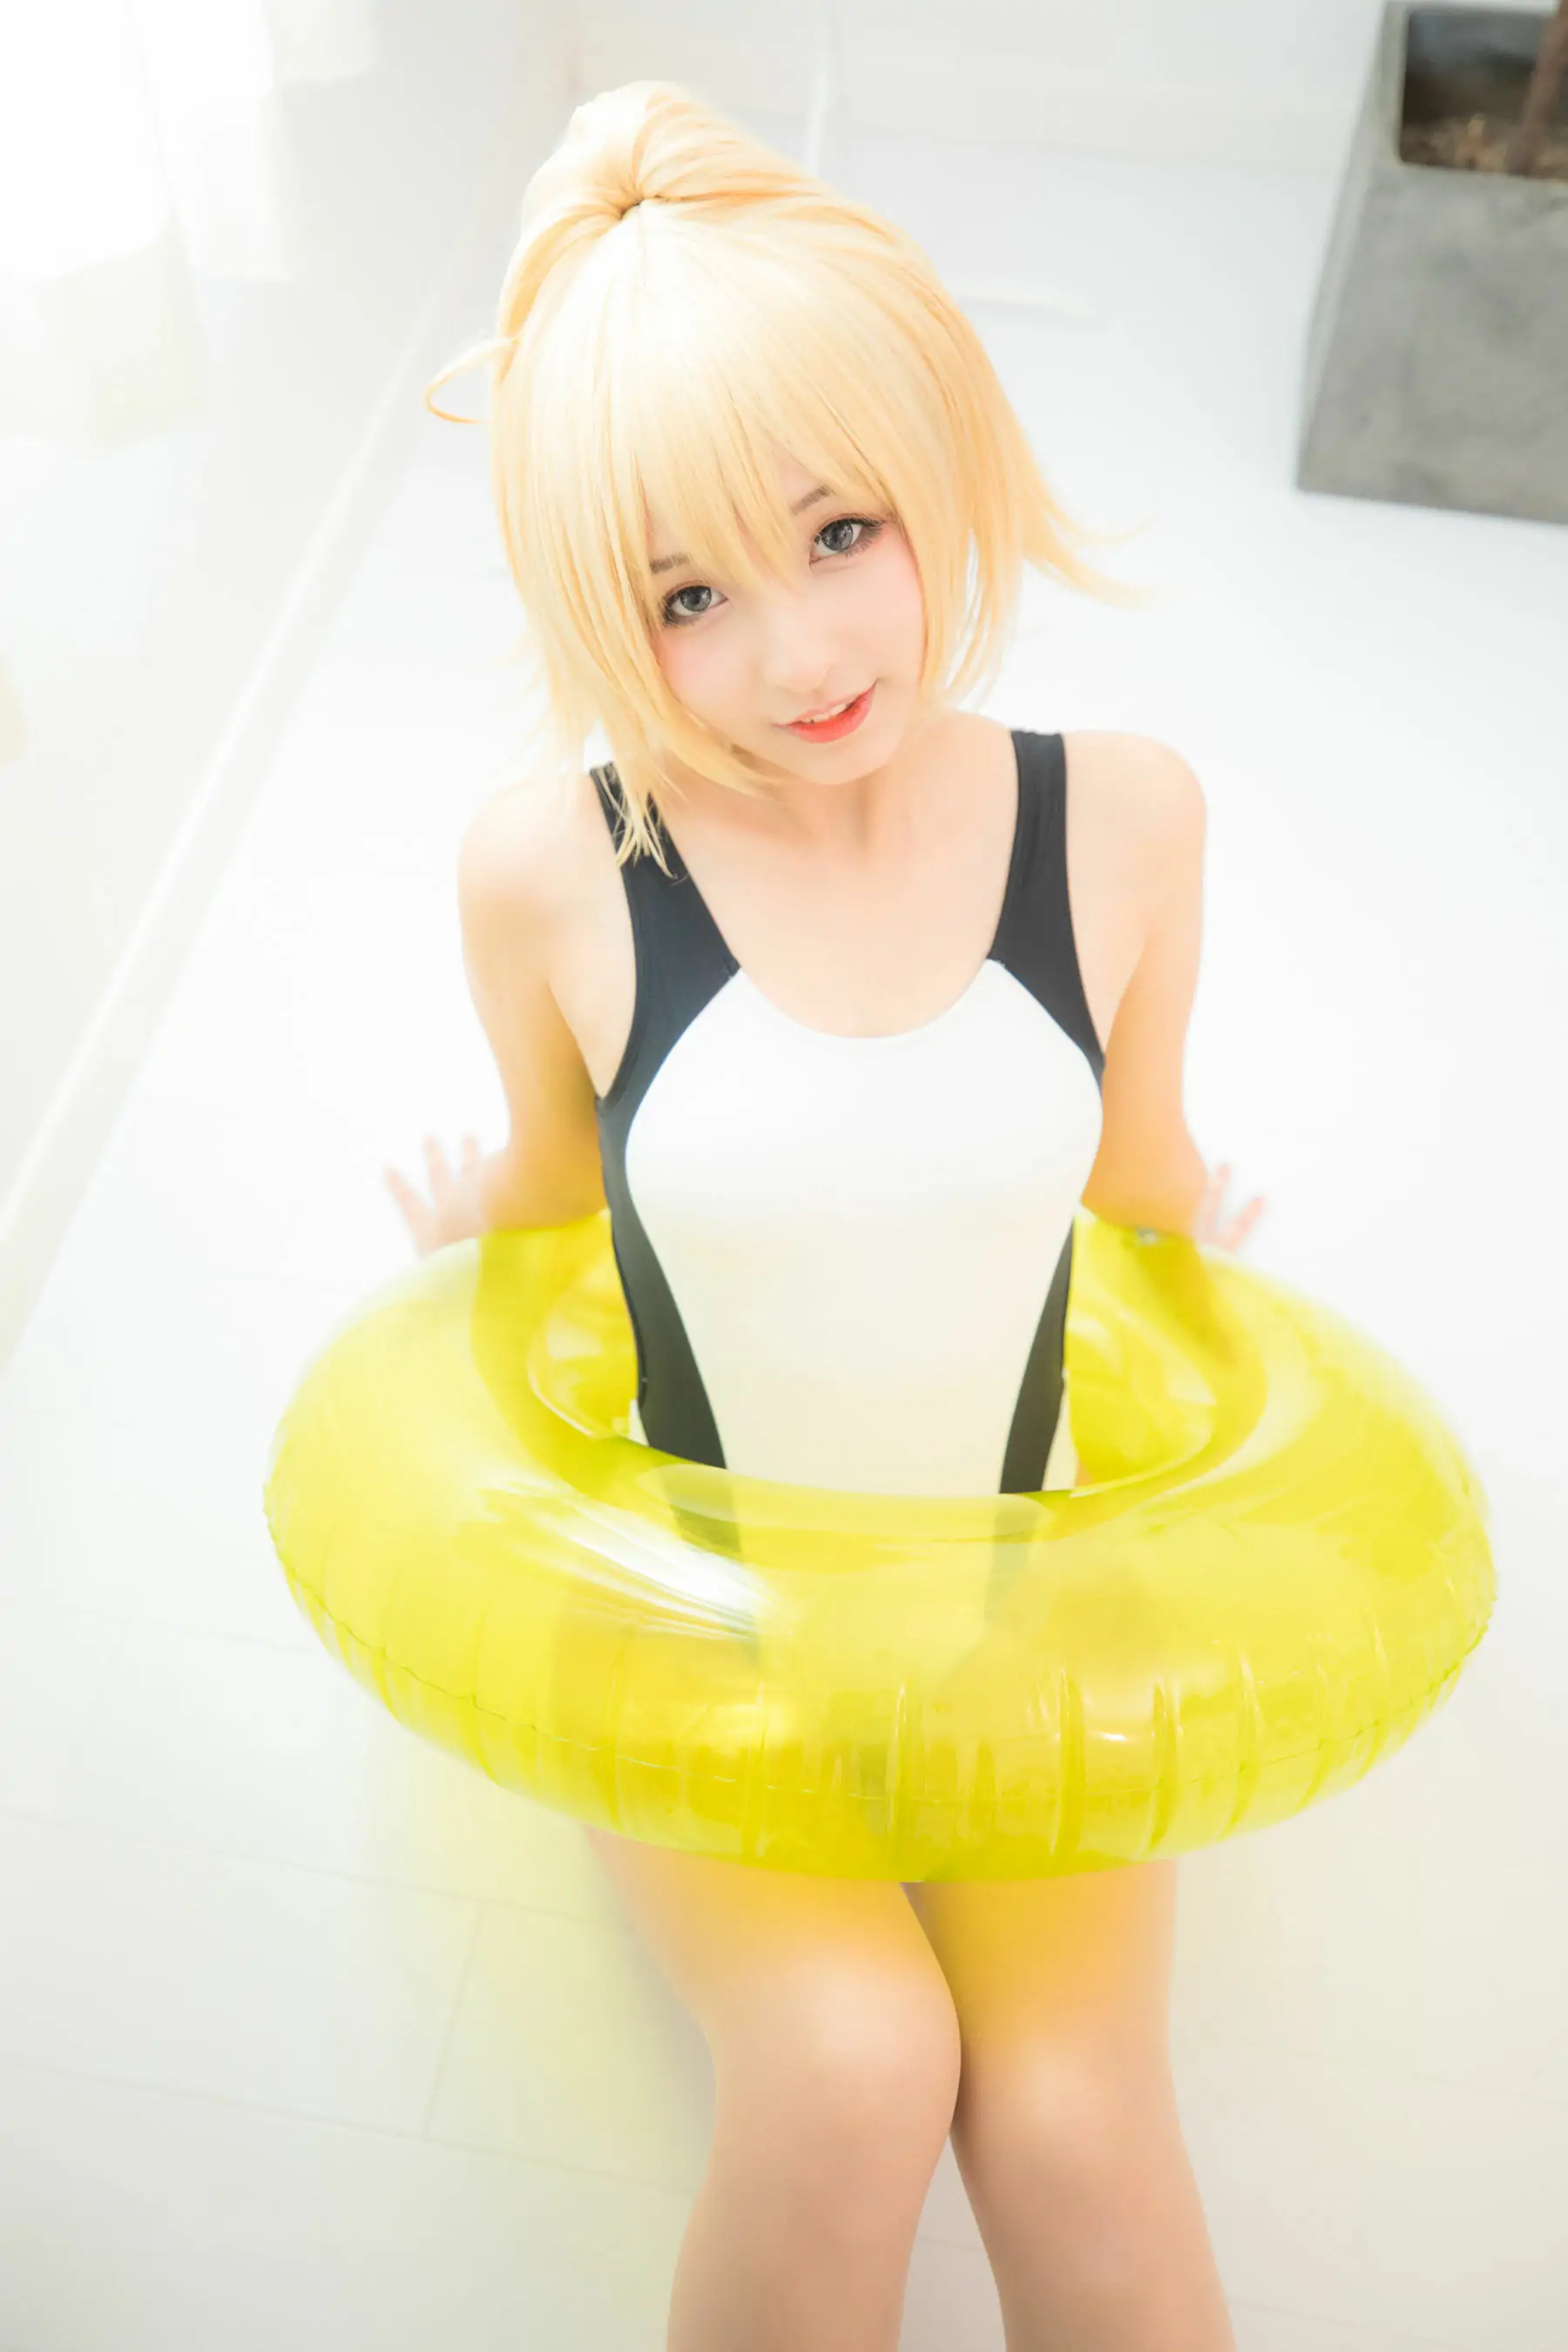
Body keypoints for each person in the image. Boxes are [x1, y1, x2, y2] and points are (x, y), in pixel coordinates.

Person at [387, 79, 1265, 2352]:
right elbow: (557, 1214)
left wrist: (1219, 1306)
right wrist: (467, 1244)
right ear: (600, 614)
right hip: (696, 1622)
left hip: (1009, 1595)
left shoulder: (1130, 824)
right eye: (688, 595)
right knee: (854, 2066)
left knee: (1071, 2125)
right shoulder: (553, 873)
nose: (799, 652)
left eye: (841, 531)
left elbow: (1144, 1183)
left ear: (934, 465)